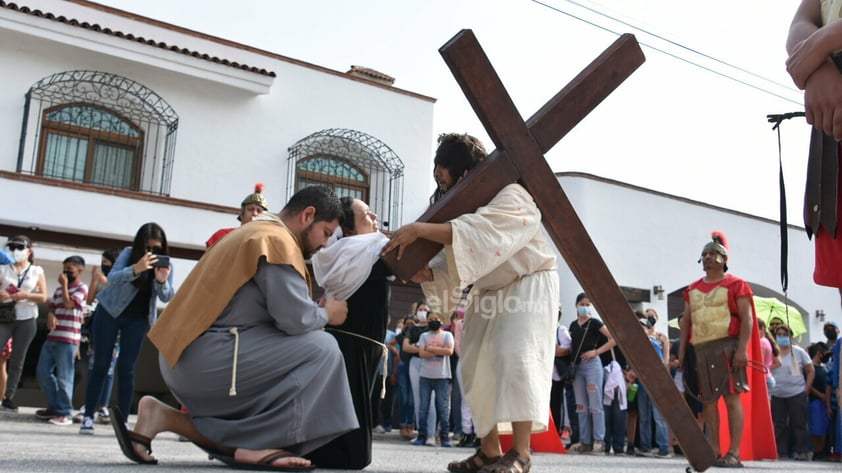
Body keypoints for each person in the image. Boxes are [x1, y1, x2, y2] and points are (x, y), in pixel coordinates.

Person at [121, 185, 354, 470]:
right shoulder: (276, 240)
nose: (326, 244)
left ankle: (163, 417)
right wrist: (327, 313)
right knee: (324, 349)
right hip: (206, 362)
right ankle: (259, 444)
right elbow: (296, 320)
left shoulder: (253, 232)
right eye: (327, 233)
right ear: (308, 215)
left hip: (184, 360)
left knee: (307, 348)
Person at [384, 133, 560, 473]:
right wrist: (424, 273)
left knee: (516, 355)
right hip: (489, 290)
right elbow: (453, 260)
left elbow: (480, 234)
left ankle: (521, 453)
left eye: (445, 175)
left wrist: (420, 229)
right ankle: (489, 451)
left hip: (529, 281)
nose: (443, 183)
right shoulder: (459, 209)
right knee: (474, 364)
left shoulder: (512, 194)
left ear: (465, 173)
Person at [678, 231, 776, 467]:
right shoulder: (692, 289)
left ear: (723, 258)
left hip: (728, 348)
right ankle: (714, 450)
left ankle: (734, 452)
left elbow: (747, 319)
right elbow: (686, 322)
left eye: (712, 253)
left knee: (732, 400)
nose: (707, 257)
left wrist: (742, 350)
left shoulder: (736, 284)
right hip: (701, 349)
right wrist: (682, 352)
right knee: (709, 402)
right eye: (705, 254)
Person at [308, 196, 391, 469]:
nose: (375, 216)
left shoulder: (365, 251)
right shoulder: (364, 254)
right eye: (366, 214)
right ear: (351, 230)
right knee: (353, 443)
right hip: (353, 346)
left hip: (361, 344)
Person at [79, 223, 174, 434]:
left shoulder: (165, 263)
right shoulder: (129, 254)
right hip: (110, 313)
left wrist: (162, 281)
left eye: (156, 248)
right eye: (148, 248)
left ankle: (122, 420)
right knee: (101, 365)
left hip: (138, 320)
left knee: (127, 369)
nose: (151, 253)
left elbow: (167, 297)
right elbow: (111, 279)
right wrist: (136, 268)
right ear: (140, 245)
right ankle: (88, 417)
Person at [35, 255, 88, 426]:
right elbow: (53, 308)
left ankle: (65, 412)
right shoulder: (58, 290)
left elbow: (69, 304)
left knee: (65, 376)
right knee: (43, 372)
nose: (65, 273)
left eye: (70, 270)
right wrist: (50, 314)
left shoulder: (81, 288)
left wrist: (65, 286)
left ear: (80, 271)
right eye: (64, 269)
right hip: (52, 337)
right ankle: (54, 406)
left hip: (68, 339)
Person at [0, 235, 49, 411]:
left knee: (17, 360)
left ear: (29, 251)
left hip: (27, 318)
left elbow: (43, 296)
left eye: (20, 248)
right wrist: (3, 295)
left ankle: (9, 397)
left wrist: (26, 295)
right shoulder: (4, 269)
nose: (16, 251)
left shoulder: (37, 271)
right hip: (5, 316)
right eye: (12, 247)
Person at [566, 293, 616, 455]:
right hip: (577, 367)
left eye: (588, 304)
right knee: (581, 405)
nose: (585, 307)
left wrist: (596, 352)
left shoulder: (594, 323)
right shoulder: (573, 325)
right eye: (582, 304)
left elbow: (613, 339)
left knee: (595, 404)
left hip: (592, 365)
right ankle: (585, 441)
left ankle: (599, 441)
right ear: (576, 305)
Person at [76, 247, 121, 424]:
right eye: (103, 262)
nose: (104, 265)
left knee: (109, 370)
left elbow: (118, 295)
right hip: (98, 327)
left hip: (115, 330)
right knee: (95, 368)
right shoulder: (100, 277)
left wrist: (105, 279)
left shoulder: (120, 277)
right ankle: (90, 405)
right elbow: (90, 299)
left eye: (107, 262)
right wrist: (95, 280)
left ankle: (103, 405)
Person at [770, 324, 814, 460]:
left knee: (799, 423)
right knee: (779, 424)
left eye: (785, 335)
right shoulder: (773, 352)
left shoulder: (799, 352)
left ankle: (802, 451)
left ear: (790, 337)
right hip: (777, 394)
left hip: (797, 392)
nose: (782, 337)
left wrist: (806, 389)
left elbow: (811, 370)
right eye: (779, 335)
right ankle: (781, 451)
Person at [412, 312, 455, 447]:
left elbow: (449, 351)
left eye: (436, 319)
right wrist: (440, 349)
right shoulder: (424, 336)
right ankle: (422, 436)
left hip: (442, 376)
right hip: (425, 376)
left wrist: (430, 348)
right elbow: (422, 353)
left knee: (443, 408)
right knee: (423, 407)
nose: (433, 321)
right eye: (430, 319)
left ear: (441, 320)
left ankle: (444, 437)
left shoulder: (447, 335)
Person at [634, 318, 671, 459]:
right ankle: (646, 447)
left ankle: (663, 448)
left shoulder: (653, 343)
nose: (639, 329)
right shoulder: (636, 345)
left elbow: (659, 364)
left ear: (649, 330)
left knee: (658, 417)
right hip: (643, 384)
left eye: (642, 327)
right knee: (644, 418)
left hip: (655, 385)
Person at [206, 183, 269, 248]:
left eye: (259, 211)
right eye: (250, 209)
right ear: (242, 214)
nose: (255, 213)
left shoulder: (266, 242)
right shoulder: (223, 235)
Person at [392, 315, 417, 439]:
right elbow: (390, 344)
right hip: (402, 367)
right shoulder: (401, 336)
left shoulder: (416, 335)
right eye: (407, 323)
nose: (409, 325)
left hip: (414, 366)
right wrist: (396, 352)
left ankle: (410, 426)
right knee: (404, 398)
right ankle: (403, 426)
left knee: (412, 400)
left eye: (412, 323)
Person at [808, 342, 831, 460]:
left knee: (824, 428)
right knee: (816, 427)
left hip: (824, 402)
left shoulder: (824, 367)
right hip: (815, 401)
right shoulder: (810, 366)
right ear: (819, 353)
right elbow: (808, 385)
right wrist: (820, 395)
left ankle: (821, 450)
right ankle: (816, 451)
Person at [758, 318, 783, 399]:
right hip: (768, 377)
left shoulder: (761, 342)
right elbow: (778, 362)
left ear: (762, 329)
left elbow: (759, 363)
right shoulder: (767, 340)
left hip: (764, 379)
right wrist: (767, 367)